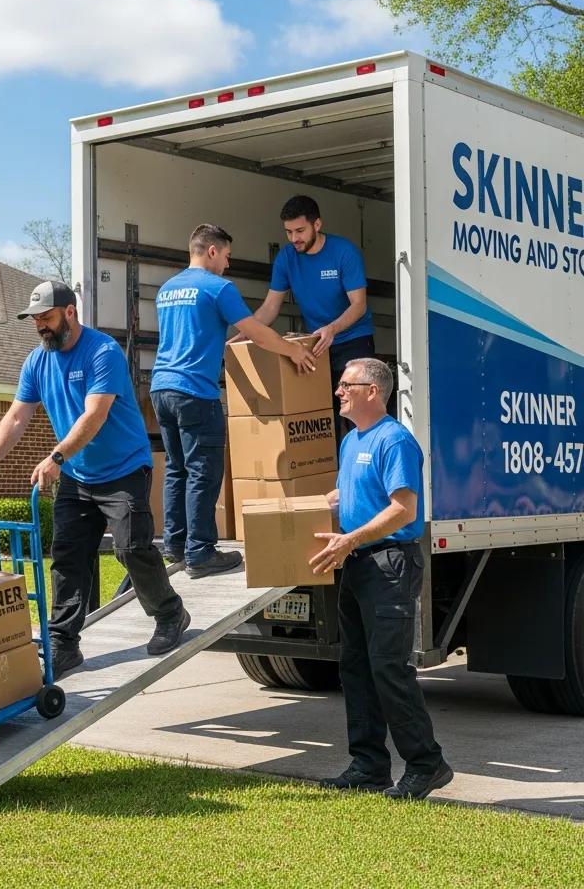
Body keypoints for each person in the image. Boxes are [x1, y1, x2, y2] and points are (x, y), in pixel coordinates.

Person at [0, 280, 187, 681]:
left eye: (46, 317)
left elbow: (95, 415)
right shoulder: (36, 362)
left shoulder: (102, 352)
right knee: (69, 558)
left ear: (69, 313)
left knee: (130, 549)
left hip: (124, 469)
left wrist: (56, 457)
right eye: (35, 319)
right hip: (77, 476)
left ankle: (169, 613)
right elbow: (17, 417)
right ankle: (64, 643)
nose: (40, 325)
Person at [310, 357, 453, 800]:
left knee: (389, 668)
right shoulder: (352, 441)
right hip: (356, 563)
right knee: (356, 668)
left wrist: (350, 538)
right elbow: (350, 493)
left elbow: (403, 510)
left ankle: (426, 764)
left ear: (373, 391)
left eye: (346, 385)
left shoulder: (396, 441)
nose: (338, 392)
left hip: (389, 564)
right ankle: (369, 764)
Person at [150, 223, 317, 576]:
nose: (228, 264)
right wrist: (292, 351)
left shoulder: (167, 289)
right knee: (203, 472)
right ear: (212, 251)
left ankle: (176, 545)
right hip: (195, 391)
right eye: (226, 256)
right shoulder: (217, 287)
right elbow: (255, 331)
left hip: (161, 389)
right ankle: (201, 553)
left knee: (177, 470)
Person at [253, 195, 375, 441]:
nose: (294, 238)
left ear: (317, 225)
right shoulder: (286, 258)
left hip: (353, 341)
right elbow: (269, 307)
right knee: (324, 418)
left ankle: (365, 474)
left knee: (358, 416)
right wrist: (246, 333)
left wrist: (332, 329)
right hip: (317, 347)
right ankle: (331, 477)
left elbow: (359, 305)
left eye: (300, 230)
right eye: (288, 232)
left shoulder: (344, 252)